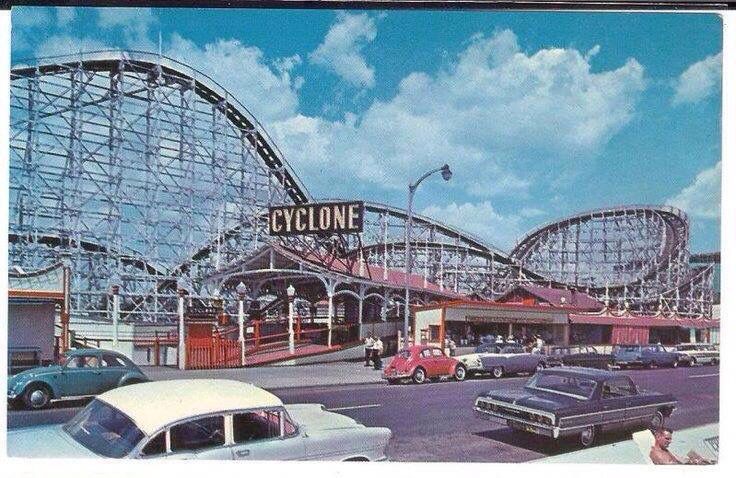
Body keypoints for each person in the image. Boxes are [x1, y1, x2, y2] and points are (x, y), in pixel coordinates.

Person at [650, 427, 715, 465]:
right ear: (658, 437)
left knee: (691, 453)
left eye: (670, 439)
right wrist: (692, 463)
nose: (670, 441)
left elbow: (679, 459)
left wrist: (699, 459)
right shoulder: (657, 454)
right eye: (667, 439)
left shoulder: (663, 450)